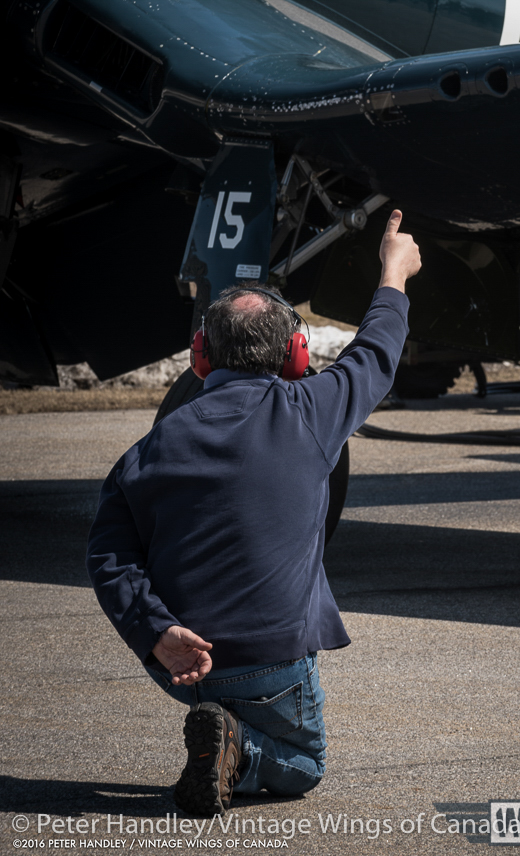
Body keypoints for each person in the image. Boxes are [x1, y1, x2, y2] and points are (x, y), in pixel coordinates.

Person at [86, 209, 421, 817]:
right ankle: (240, 750)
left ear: (199, 357)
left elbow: (108, 554)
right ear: (297, 354)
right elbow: (375, 354)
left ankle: (221, 732)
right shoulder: (311, 412)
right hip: (275, 665)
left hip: (183, 665)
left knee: (220, 706)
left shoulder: (147, 450)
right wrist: (392, 274)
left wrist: (156, 633)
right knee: (306, 766)